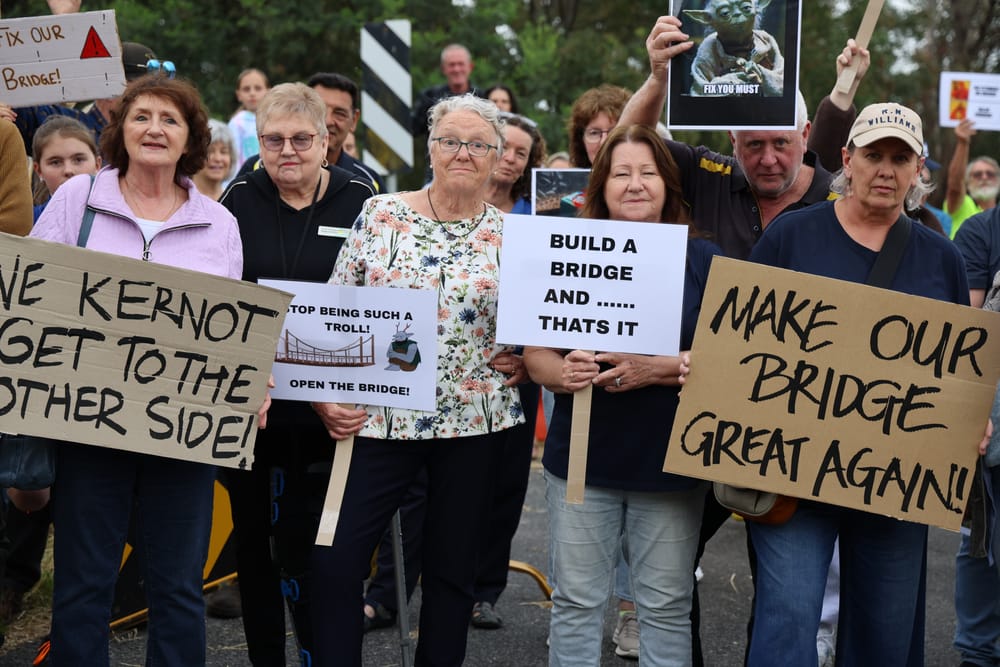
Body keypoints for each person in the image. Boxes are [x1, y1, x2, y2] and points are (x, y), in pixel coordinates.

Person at [29, 73, 258, 666]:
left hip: (184, 430)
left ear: (190, 140)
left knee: (178, 587)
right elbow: (35, 298)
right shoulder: (76, 199)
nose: (154, 129)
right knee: (84, 583)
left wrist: (252, 382)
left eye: (170, 120)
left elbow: (232, 328)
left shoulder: (219, 221)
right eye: (141, 116)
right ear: (120, 129)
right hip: (89, 422)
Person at [734, 102, 967, 666]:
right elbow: (738, 341)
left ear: (919, 170)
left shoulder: (941, 258)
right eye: (873, 155)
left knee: (886, 633)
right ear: (847, 159)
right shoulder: (792, 236)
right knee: (787, 621)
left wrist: (969, 424)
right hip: (791, 476)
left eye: (900, 158)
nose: (885, 170)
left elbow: (960, 371)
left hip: (896, 480)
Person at [309, 93, 526, 666]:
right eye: (450, 140)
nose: (463, 152)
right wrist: (324, 400)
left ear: (498, 157)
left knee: (454, 573)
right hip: (376, 419)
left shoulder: (515, 236)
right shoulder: (382, 213)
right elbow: (331, 308)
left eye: (478, 144)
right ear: (430, 148)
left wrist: (530, 360)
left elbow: (542, 327)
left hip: (473, 424)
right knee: (336, 560)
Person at [525, 123, 719, 666]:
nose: (636, 185)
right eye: (621, 173)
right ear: (601, 185)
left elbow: (730, 363)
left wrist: (662, 367)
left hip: (671, 464)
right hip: (584, 460)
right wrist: (562, 374)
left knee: (663, 606)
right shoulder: (562, 249)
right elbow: (536, 353)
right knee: (578, 602)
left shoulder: (703, 261)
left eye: (649, 172)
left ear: (669, 183)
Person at [219, 82, 375, 665]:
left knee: (321, 551)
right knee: (257, 552)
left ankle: (321, 653)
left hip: (331, 413)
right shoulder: (235, 200)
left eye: (302, 139)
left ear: (327, 138)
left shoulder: (361, 198)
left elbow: (378, 301)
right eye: (274, 140)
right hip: (255, 411)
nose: (288, 151)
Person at [950, 204, 1000, 667]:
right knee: (983, 541)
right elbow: (970, 331)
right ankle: (980, 651)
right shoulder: (983, 230)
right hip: (994, 421)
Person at [8, 42, 160, 156]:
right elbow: (20, 111)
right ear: (106, 85)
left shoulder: (152, 138)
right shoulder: (67, 124)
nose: (148, 97)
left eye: (153, 89)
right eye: (138, 88)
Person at [945, 119, 998, 238]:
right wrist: (963, 143)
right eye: (977, 174)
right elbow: (954, 186)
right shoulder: (963, 205)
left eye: (990, 174)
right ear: (967, 182)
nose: (984, 177)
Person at [228, 68, 269, 180]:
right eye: (246, 89)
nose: (252, 93)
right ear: (238, 94)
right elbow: (233, 158)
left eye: (258, 88)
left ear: (268, 91)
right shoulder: (236, 123)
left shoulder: (273, 121)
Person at [192, 119, 234, 201]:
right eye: (210, 151)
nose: (218, 159)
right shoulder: (180, 200)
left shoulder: (234, 201)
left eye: (223, 152)